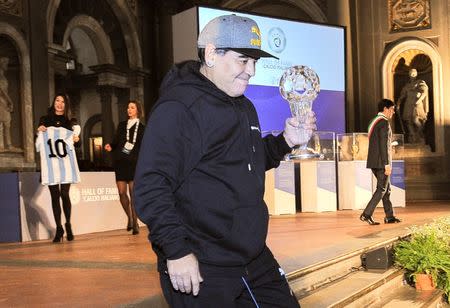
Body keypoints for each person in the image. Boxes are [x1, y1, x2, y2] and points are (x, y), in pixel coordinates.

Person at [134, 14, 315, 307]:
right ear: (210, 54)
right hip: (202, 264)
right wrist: (176, 251)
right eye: (243, 60)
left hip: (253, 257)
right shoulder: (179, 108)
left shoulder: (244, 106)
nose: (251, 71)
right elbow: (151, 186)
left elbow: (248, 159)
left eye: (255, 62)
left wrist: (285, 141)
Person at [36, 93, 81, 242]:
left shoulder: (70, 121)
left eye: (63, 102)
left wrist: (76, 138)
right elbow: (39, 140)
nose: (59, 104)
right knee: (55, 196)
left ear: (66, 105)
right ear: (54, 102)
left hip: (66, 163)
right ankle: (59, 228)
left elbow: (78, 143)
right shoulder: (45, 119)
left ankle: (68, 224)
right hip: (51, 164)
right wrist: (39, 130)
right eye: (57, 100)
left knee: (64, 194)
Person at [104, 100, 144, 235]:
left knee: (133, 195)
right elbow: (116, 141)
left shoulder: (142, 128)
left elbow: (143, 147)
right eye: (128, 107)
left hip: (134, 164)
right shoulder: (122, 125)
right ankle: (130, 218)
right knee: (121, 193)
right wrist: (110, 146)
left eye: (132, 107)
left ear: (137, 110)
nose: (129, 110)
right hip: (121, 162)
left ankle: (135, 222)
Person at [360, 99, 401, 225]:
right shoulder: (384, 123)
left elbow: (378, 144)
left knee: (386, 189)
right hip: (382, 162)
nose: (393, 112)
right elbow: (383, 145)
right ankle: (366, 214)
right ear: (385, 108)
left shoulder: (373, 122)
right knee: (382, 189)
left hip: (373, 162)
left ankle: (390, 216)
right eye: (392, 109)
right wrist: (387, 164)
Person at [396, 68, 428, 143]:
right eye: (410, 73)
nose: (412, 75)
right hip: (408, 103)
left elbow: (424, 91)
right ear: (409, 75)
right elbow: (402, 96)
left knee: (415, 119)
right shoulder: (407, 86)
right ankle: (412, 135)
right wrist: (398, 103)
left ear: (416, 74)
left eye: (413, 73)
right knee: (408, 121)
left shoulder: (420, 82)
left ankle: (419, 133)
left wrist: (419, 99)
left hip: (416, 103)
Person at [0, 57, 14, 151]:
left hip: (3, 101)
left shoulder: (2, 76)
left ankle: (6, 145)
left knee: (5, 123)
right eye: (5, 64)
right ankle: (4, 145)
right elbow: (2, 91)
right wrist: (10, 101)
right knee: (4, 122)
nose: (7, 66)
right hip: (1, 100)